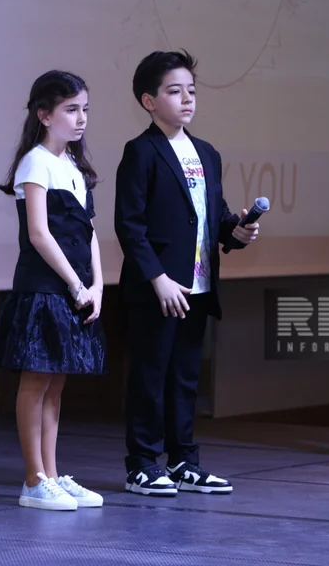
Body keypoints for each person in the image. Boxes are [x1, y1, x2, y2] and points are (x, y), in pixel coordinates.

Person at [114, 50, 259, 497]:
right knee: (150, 376)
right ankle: (142, 464)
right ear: (149, 101)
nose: (187, 99)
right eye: (175, 91)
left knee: (184, 379)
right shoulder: (141, 152)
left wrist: (236, 231)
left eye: (191, 91)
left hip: (198, 286)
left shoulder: (206, 153)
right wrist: (157, 278)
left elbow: (213, 219)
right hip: (158, 289)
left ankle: (182, 462)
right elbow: (129, 225)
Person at [0, 70, 107, 511]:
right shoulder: (35, 162)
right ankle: (33, 478)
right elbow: (39, 233)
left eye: (85, 110)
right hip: (44, 289)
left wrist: (97, 285)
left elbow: (89, 233)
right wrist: (76, 285)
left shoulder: (74, 166)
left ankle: (52, 475)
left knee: (56, 384)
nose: (81, 119)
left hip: (75, 292)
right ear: (44, 115)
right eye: (71, 110)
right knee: (36, 381)